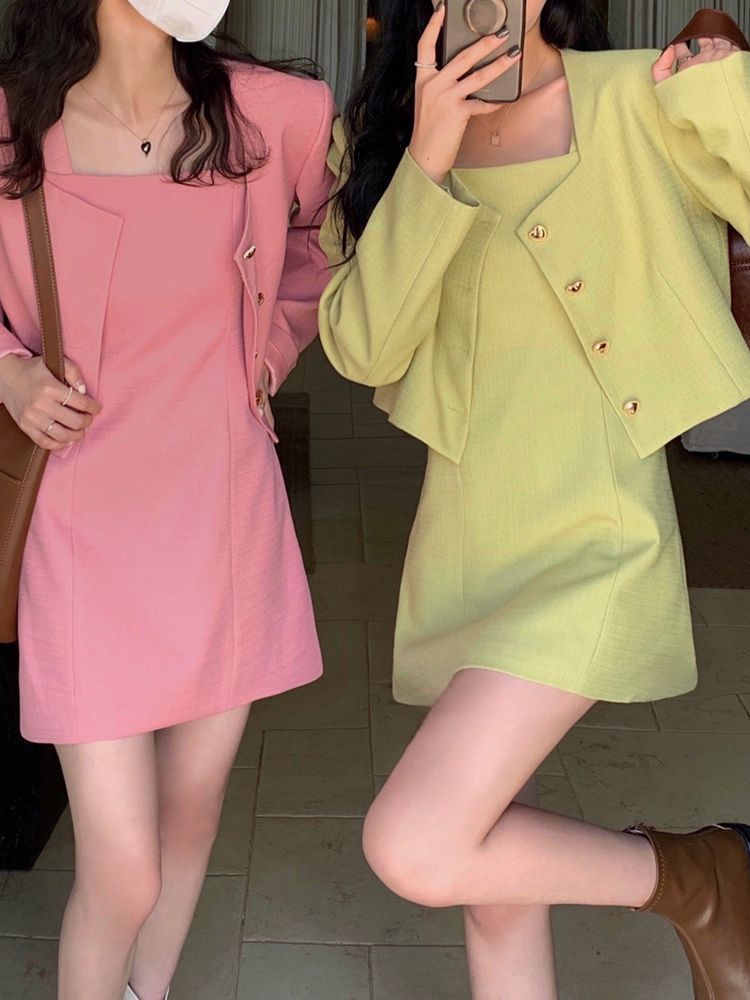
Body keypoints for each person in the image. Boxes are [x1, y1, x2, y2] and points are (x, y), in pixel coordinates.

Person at [318, 0, 750, 996]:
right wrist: (427, 155)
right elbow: (363, 347)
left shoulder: (639, 96)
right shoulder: (381, 134)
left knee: (417, 840)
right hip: (466, 547)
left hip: (601, 539)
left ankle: (702, 878)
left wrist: (723, 89)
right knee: (493, 882)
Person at [0, 0, 334, 997]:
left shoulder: (276, 114)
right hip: (79, 523)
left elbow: (321, 249)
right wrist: (8, 371)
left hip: (222, 514)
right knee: (123, 866)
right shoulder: (14, 123)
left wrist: (266, 359)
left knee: (191, 816)